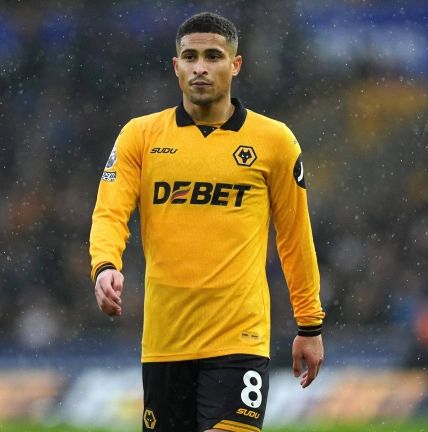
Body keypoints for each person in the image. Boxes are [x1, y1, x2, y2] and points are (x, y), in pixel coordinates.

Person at [89, 12, 325, 432]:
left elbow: (294, 238)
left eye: (213, 56)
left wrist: (309, 324)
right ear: (176, 66)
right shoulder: (140, 137)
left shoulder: (274, 142)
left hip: (240, 338)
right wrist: (105, 265)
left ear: (235, 65)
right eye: (190, 57)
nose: (200, 67)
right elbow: (110, 211)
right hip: (166, 342)